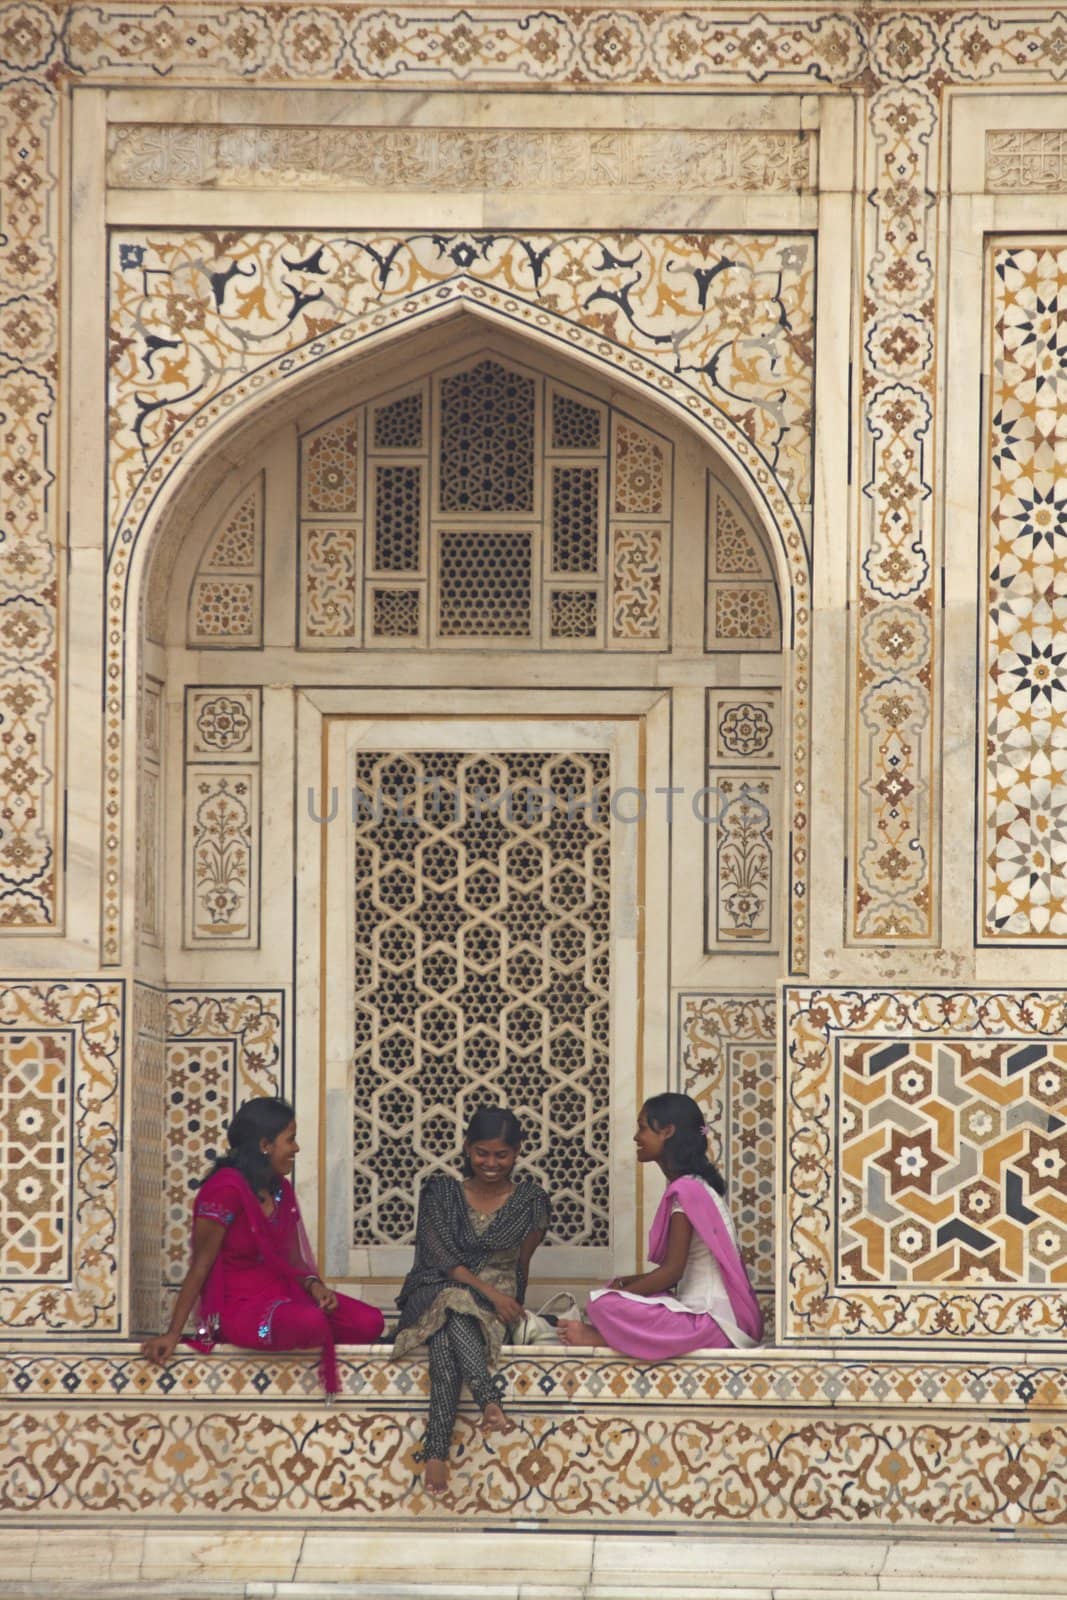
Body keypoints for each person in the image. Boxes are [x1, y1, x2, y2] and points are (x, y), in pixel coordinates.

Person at [140, 1096, 384, 1393]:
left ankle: (310, 1323)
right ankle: (304, 1326)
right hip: (240, 1309)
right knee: (309, 1322)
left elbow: (295, 1261)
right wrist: (173, 1334)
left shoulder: (280, 1189)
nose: (296, 1148)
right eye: (290, 1140)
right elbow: (201, 1266)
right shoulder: (225, 1189)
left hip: (287, 1296)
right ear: (265, 1145)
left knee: (369, 1322)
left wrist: (315, 1287)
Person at [393, 1105, 550, 1497]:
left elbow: (521, 1264)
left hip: (492, 1299)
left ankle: (435, 1453)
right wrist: (491, 1295)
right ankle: (487, 1398)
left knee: (447, 1338)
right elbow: (440, 1259)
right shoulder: (441, 1192)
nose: (491, 1163)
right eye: (482, 1152)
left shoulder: (531, 1200)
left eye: (502, 1155)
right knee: (453, 1300)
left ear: (517, 1153)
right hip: (433, 1286)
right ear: (466, 1148)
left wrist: (510, 1308)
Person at [559, 1092, 762, 1355]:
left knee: (603, 1304)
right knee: (613, 1290)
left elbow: (672, 1272)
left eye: (643, 1128)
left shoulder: (687, 1190)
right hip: (704, 1318)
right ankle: (612, 1331)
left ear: (667, 1132)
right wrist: (623, 1286)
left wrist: (619, 1296)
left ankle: (603, 1339)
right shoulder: (693, 1185)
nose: (636, 1137)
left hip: (713, 1324)